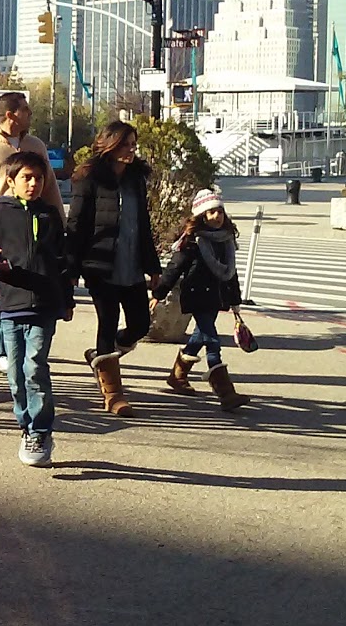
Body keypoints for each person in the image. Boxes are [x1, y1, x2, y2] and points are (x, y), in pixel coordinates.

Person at [0, 151, 74, 466]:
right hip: (11, 305)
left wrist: (66, 300)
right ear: (11, 181)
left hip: (45, 305)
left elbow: (64, 262)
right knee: (15, 375)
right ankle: (25, 425)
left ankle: (40, 431)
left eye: (39, 178)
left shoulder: (50, 215)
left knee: (34, 367)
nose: (33, 183)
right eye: (27, 177)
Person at [65, 120, 160, 417]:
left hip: (131, 265)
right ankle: (113, 393)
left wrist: (153, 265)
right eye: (125, 144)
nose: (131, 150)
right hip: (100, 265)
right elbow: (76, 225)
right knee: (107, 322)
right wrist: (71, 268)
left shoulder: (135, 179)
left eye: (133, 144)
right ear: (111, 144)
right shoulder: (89, 177)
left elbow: (143, 225)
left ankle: (101, 358)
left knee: (141, 325)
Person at [0, 91, 64, 376]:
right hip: (1, 233)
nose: (30, 115)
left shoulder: (36, 146)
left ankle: (27, 346)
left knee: (35, 289)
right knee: (1, 293)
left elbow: (51, 188)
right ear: (11, 114)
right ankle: (2, 351)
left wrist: (59, 220)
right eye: (26, 110)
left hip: (37, 229)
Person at [150, 189, 251, 412]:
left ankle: (177, 376)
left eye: (220, 212)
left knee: (199, 338)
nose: (217, 216)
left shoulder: (226, 242)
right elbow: (174, 269)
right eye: (211, 212)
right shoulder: (192, 243)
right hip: (196, 295)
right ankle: (225, 392)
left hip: (216, 297)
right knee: (212, 341)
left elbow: (230, 274)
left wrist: (235, 301)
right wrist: (158, 294)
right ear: (202, 216)